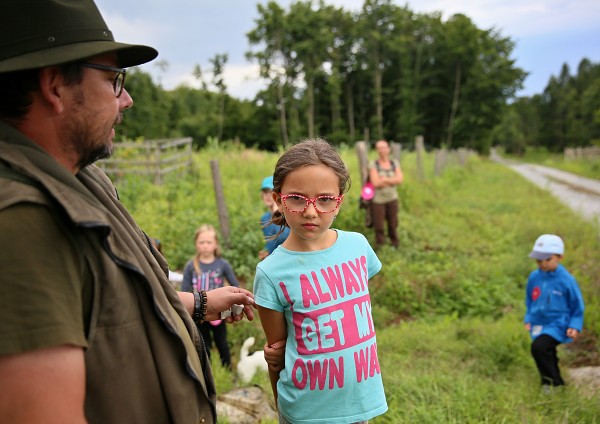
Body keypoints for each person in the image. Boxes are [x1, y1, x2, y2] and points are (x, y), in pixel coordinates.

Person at [0, 1, 255, 423]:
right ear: (54, 85)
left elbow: (103, 311)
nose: (128, 100)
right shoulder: (23, 219)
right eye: (114, 80)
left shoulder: (81, 181)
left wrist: (199, 302)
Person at [253, 139, 388, 423]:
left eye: (325, 200)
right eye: (297, 199)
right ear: (278, 200)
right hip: (305, 412)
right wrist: (284, 412)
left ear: (338, 202)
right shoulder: (270, 272)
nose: (311, 211)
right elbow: (276, 353)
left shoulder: (358, 246)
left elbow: (355, 314)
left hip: (359, 404)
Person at [524, 234, 584, 390]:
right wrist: (528, 318)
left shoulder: (566, 280)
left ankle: (553, 384)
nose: (543, 264)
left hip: (558, 323)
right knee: (546, 352)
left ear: (560, 257)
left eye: (548, 259)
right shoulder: (534, 277)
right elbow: (530, 299)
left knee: (539, 348)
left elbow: (577, 304)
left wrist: (575, 324)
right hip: (538, 322)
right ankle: (551, 382)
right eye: (539, 260)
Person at [182, 224, 240, 369]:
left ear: (215, 244)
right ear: (196, 244)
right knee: (203, 344)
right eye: (201, 242)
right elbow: (184, 291)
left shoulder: (222, 264)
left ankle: (228, 371)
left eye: (209, 242)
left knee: (222, 343)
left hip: (220, 311)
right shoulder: (190, 266)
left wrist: (235, 306)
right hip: (198, 312)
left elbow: (234, 286)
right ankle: (208, 373)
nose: (205, 246)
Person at [369, 139, 404, 248]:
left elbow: (400, 179)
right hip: (378, 200)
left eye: (384, 147)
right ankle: (380, 245)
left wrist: (384, 180)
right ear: (377, 150)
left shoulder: (394, 163)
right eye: (379, 148)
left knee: (393, 223)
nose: (382, 150)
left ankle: (394, 243)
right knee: (379, 225)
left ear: (388, 149)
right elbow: (375, 182)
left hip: (392, 198)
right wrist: (392, 179)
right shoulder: (373, 164)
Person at [258, 175, 290, 260]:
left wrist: (278, 213)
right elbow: (271, 243)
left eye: (271, 192)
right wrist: (266, 252)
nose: (268, 196)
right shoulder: (264, 218)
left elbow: (284, 237)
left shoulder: (288, 215)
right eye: (265, 192)